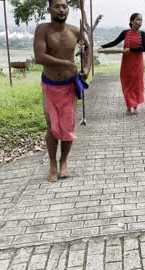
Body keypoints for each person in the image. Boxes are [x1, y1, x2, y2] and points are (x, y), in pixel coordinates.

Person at [34, 0, 92, 182]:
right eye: (57, 6)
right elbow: (40, 57)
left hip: (69, 85)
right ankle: (52, 164)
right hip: (50, 85)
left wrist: (87, 68)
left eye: (65, 7)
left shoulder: (75, 31)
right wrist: (66, 63)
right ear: (49, 9)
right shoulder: (42, 29)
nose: (61, 10)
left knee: (67, 126)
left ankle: (64, 161)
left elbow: (88, 48)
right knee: (52, 127)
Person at [99, 13, 145, 116]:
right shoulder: (125, 33)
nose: (139, 22)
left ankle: (135, 107)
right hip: (126, 63)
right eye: (137, 20)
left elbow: (144, 48)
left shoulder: (142, 34)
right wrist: (103, 47)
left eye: (141, 20)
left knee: (136, 84)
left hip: (137, 63)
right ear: (131, 21)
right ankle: (128, 107)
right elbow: (115, 42)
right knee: (126, 84)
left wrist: (131, 49)